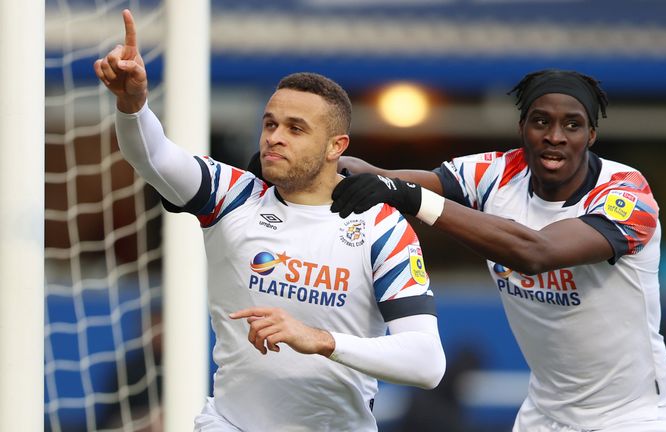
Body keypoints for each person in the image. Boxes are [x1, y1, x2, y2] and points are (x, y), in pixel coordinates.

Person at [94, 10, 445, 432]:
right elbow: (155, 159)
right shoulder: (231, 194)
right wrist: (132, 106)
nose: (275, 136)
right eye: (270, 123)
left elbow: (427, 363)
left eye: (296, 129)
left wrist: (319, 340)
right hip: (230, 423)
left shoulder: (380, 227)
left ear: (337, 145)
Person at [328, 69, 666, 431]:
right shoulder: (498, 173)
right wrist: (306, 164)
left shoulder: (627, 192)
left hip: (636, 415)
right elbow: (380, 176)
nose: (555, 137)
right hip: (544, 415)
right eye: (541, 121)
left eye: (572, 125)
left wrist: (411, 197)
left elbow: (536, 252)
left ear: (592, 134)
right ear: (522, 128)